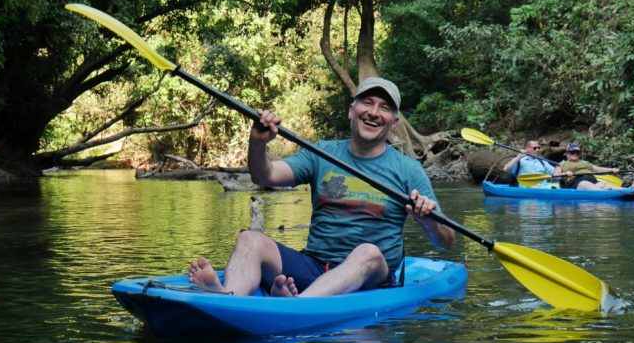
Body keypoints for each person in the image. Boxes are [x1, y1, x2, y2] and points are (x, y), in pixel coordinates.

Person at [188, 77, 456, 297]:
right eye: (367, 103)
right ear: (352, 110)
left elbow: (446, 242)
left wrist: (429, 221)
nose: (374, 112)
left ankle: (298, 306)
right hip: (315, 267)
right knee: (250, 239)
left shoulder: (408, 169)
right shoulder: (321, 153)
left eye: (384, 107)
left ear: (394, 122)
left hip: (372, 278)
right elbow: (264, 174)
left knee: (368, 252)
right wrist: (258, 142)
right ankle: (226, 295)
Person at [554, 142, 623, 190]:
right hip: (576, 183)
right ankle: (604, 192)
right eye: (572, 152)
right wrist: (564, 174)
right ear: (567, 153)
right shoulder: (562, 164)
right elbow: (554, 178)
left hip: (593, 181)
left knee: (605, 184)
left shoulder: (585, 163)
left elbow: (598, 169)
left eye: (577, 153)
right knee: (586, 184)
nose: (575, 154)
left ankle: (628, 190)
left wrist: (611, 170)